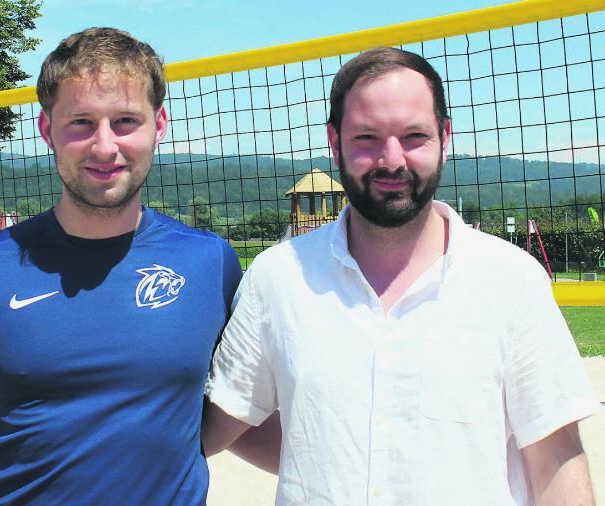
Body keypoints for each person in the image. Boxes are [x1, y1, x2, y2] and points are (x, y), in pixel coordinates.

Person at [203, 47, 601, 505]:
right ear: (335, 143)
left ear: (444, 137)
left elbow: (556, 460)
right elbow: (220, 423)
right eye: (368, 137)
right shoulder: (277, 278)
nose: (392, 160)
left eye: (413, 136)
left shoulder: (511, 280)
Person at [0, 28, 245, 505]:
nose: (105, 147)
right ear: (47, 129)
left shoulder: (211, 263)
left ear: (160, 124)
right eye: (81, 122)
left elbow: (242, 411)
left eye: (126, 121)